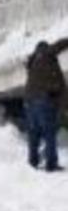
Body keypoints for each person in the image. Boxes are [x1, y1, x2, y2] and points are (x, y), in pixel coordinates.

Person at [25, 38, 68, 172]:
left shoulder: (32, 62)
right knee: (49, 132)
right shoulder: (46, 53)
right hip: (43, 100)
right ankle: (51, 164)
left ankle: (33, 162)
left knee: (34, 133)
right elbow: (59, 45)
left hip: (29, 102)